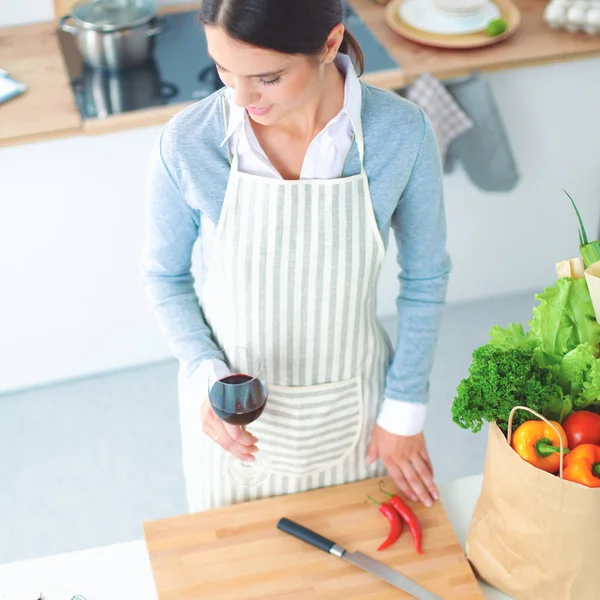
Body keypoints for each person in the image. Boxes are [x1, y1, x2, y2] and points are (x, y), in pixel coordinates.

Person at [142, 0, 451, 513]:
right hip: (228, 418)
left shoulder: (400, 133)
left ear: (330, 44)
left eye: (267, 76)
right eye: (222, 68)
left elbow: (425, 277)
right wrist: (205, 375)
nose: (239, 97)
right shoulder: (189, 141)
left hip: (356, 410)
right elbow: (163, 276)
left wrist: (404, 410)